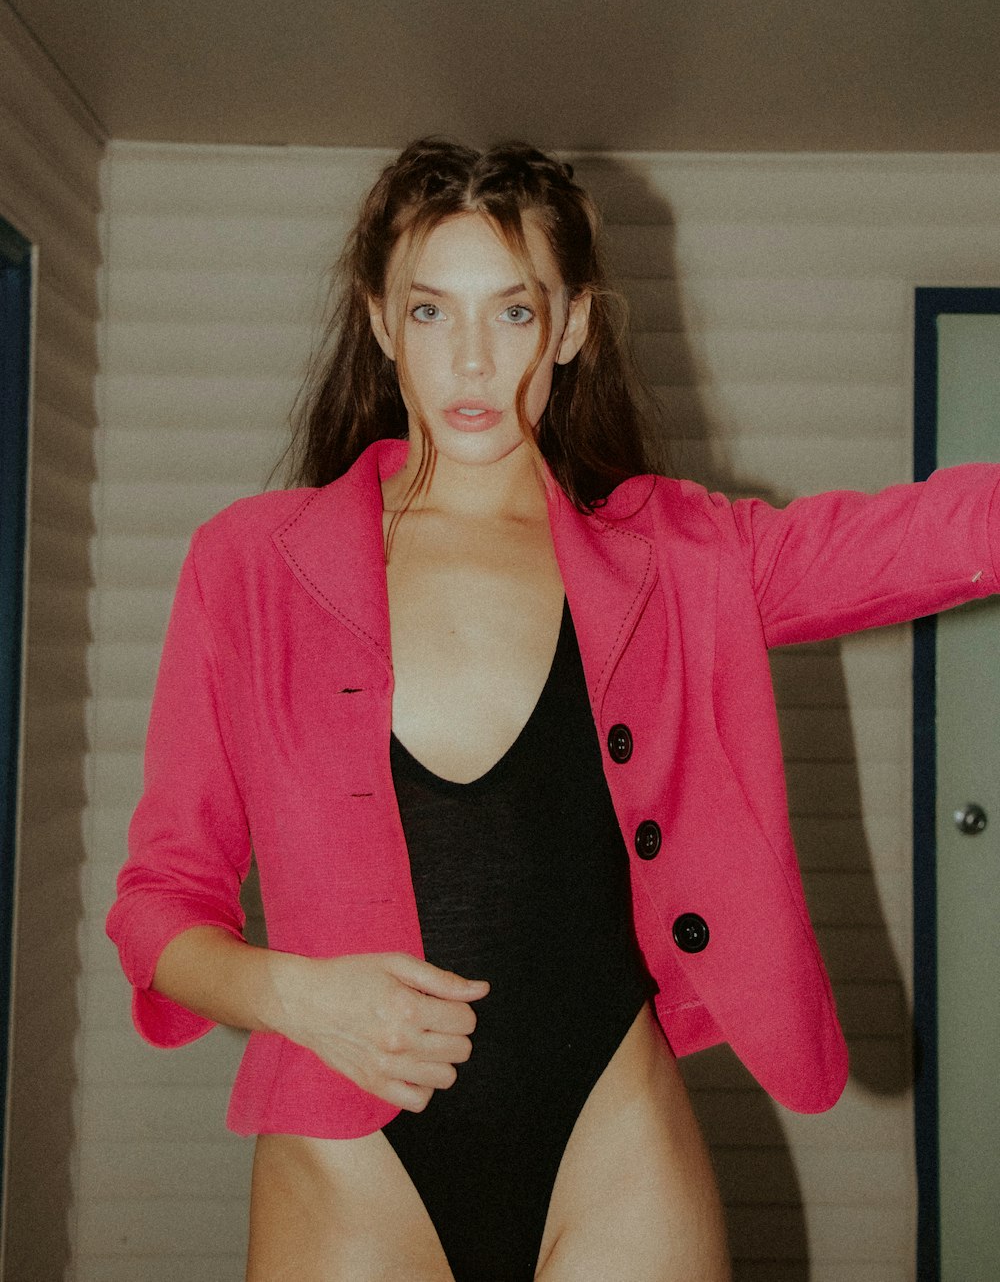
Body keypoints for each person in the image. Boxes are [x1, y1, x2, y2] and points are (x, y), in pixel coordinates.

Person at [107, 138, 1000, 1282]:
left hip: (612, 1143)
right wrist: (292, 994)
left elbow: (931, 538)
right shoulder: (249, 568)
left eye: (513, 313)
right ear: (380, 323)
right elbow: (156, 903)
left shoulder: (679, 562)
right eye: (431, 312)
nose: (470, 360)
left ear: (572, 324)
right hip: (350, 1168)